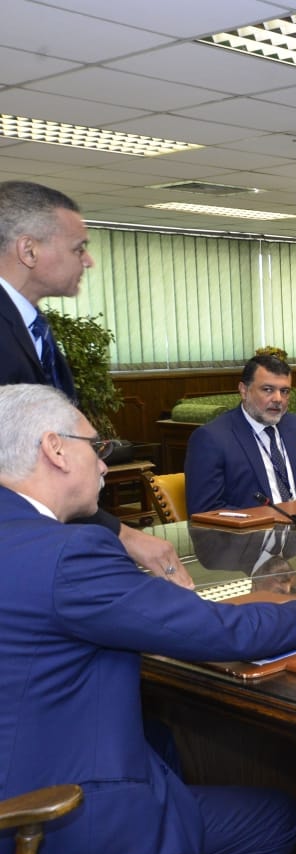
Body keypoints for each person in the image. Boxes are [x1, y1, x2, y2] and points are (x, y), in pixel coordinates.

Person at [0, 383, 296, 854]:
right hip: (42, 822)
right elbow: (220, 633)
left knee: (162, 740)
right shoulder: (67, 554)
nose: (104, 465)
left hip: (24, 768)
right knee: (274, 819)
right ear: (54, 449)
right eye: (96, 447)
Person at [0, 180, 191, 588]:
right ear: (28, 250)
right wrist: (119, 534)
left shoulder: (32, 326)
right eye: (78, 248)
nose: (88, 261)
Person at [185, 354, 296, 514]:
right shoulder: (212, 438)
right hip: (254, 529)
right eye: (268, 389)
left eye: (284, 391)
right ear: (244, 391)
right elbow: (205, 509)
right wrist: (266, 519)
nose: (278, 399)